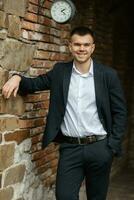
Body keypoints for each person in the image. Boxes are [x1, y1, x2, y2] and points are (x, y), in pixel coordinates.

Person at [2, 26, 127, 200]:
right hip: (70, 148)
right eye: (77, 44)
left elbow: (120, 112)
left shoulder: (108, 75)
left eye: (86, 45)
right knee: (64, 196)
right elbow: (36, 84)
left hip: (99, 147)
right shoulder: (60, 72)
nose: (81, 49)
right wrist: (17, 77)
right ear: (70, 46)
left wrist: (111, 146)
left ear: (93, 47)